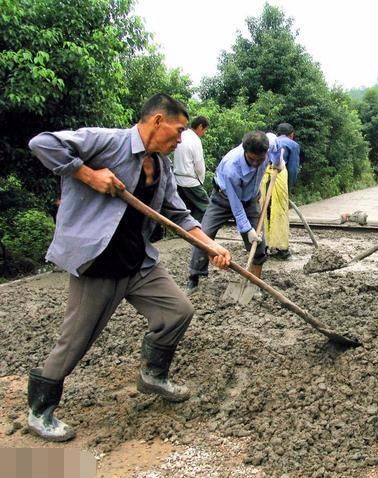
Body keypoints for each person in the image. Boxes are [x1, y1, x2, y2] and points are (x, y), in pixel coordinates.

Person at [27, 93, 231, 442]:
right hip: (99, 263)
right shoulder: (107, 142)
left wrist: (210, 245)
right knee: (75, 341)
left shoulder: (162, 166)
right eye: (179, 130)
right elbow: (41, 143)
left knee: (177, 311)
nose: (181, 138)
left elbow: (178, 213)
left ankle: (152, 374)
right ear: (156, 121)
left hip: (139, 262)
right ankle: (39, 410)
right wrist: (87, 175)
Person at [186, 130, 285, 290]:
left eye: (260, 160)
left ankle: (254, 285)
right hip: (223, 200)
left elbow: (277, 146)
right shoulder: (231, 167)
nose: (255, 163)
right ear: (245, 151)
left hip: (251, 199)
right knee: (204, 236)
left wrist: (278, 161)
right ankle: (194, 277)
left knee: (259, 245)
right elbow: (236, 206)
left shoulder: (270, 142)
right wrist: (247, 229)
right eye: (252, 159)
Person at [260, 122, 301, 260]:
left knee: (264, 211)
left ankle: (263, 246)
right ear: (292, 134)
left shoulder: (268, 141)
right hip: (278, 178)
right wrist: (289, 187)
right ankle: (282, 249)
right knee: (279, 212)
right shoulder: (292, 144)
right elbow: (293, 169)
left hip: (263, 177)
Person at [172, 116, 210, 222]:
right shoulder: (195, 140)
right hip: (191, 180)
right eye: (205, 130)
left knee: (186, 208)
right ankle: (193, 229)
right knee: (207, 207)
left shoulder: (181, 135)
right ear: (200, 127)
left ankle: (185, 229)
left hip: (178, 179)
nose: (204, 133)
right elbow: (199, 165)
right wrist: (201, 180)